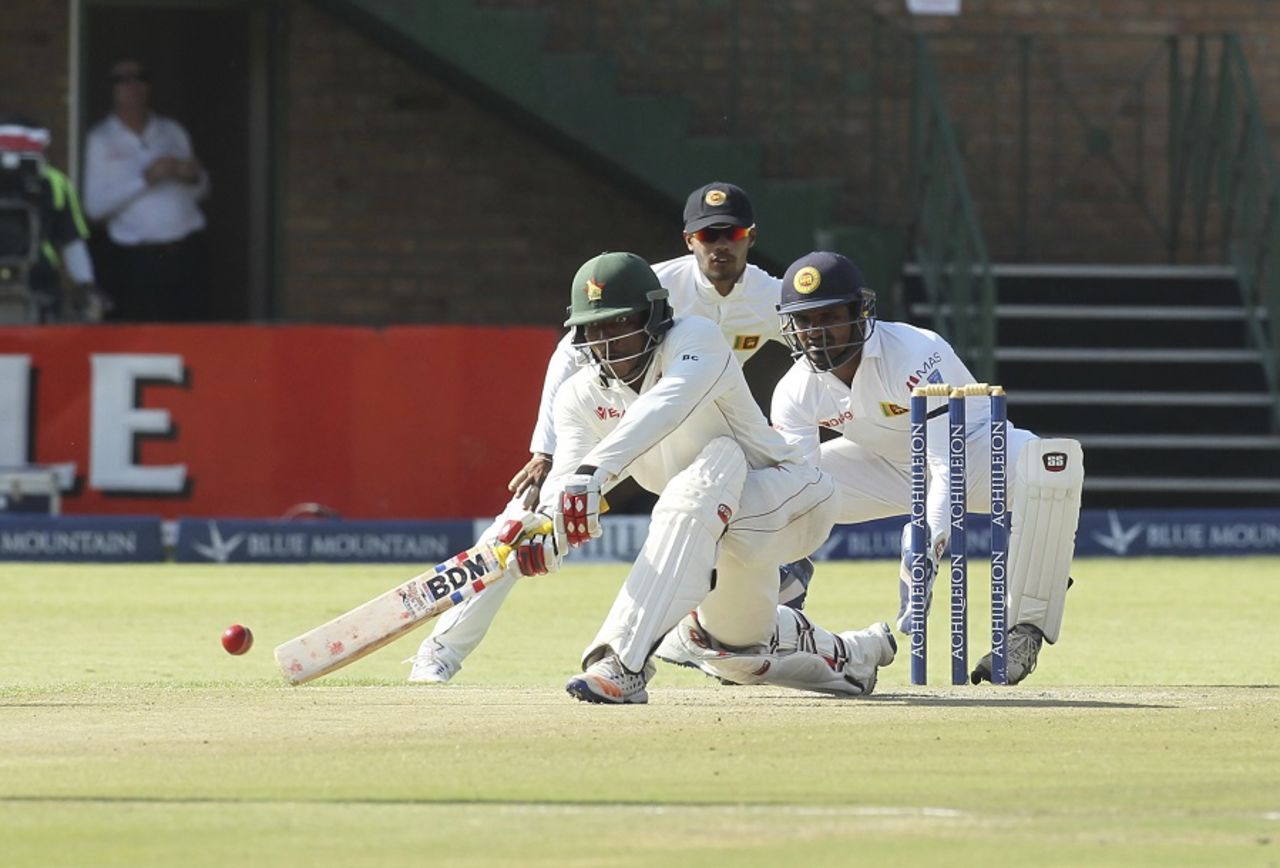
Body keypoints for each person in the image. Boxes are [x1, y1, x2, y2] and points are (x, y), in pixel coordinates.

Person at [408, 181, 805, 684]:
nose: (720, 244)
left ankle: (738, 627)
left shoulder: (770, 296)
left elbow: (812, 358)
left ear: (750, 237)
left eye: (732, 233)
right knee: (530, 517)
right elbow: (570, 353)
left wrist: (793, 431)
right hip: (626, 423)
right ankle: (441, 650)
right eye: (708, 235)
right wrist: (546, 448)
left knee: (717, 536)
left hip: (707, 440)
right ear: (689, 240)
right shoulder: (652, 286)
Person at [494, 251, 896, 703]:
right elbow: (568, 475)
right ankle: (851, 657)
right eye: (596, 329)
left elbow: (662, 408)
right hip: (708, 530)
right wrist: (548, 531)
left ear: (654, 317)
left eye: (620, 324)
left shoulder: (696, 339)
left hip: (791, 497)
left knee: (714, 461)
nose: (608, 342)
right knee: (731, 649)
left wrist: (594, 472)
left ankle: (620, 660)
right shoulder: (579, 395)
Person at [765, 251, 1083, 684]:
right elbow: (799, 487)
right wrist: (789, 541)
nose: (816, 334)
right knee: (770, 486)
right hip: (886, 469)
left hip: (976, 456)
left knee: (1052, 467)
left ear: (860, 313)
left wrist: (926, 547)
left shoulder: (916, 352)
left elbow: (943, 464)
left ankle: (1022, 628)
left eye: (829, 317)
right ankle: (775, 602)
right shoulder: (794, 390)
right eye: (805, 321)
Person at [83, 59, 209, 322]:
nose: (132, 85)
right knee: (143, 340)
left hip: (186, 249)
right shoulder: (100, 139)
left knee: (191, 334)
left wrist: (192, 177)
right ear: (111, 89)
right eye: (122, 79)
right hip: (137, 258)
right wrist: (146, 180)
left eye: (140, 77)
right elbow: (94, 208)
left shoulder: (172, 131)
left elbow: (202, 190)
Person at [0, 114, 106, 322]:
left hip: (39, 282)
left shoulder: (56, 184)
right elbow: (72, 243)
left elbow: (72, 241)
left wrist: (86, 286)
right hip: (39, 275)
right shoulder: (57, 182)